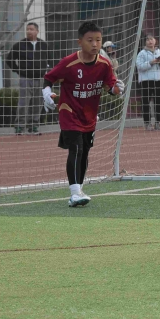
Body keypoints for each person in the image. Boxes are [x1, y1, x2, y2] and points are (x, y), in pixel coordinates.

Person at [43, 22, 124, 207]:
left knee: (85, 151)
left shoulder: (104, 64)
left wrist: (117, 89)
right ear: (80, 42)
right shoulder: (69, 62)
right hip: (69, 112)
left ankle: (78, 189)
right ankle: (74, 193)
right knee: (76, 148)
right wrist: (46, 93)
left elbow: (110, 88)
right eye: (90, 40)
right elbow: (49, 78)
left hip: (89, 116)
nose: (95, 44)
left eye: (98, 40)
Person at [6, 22, 50, 136]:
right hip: (25, 78)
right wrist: (18, 70)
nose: (29, 31)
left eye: (31, 29)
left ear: (37, 31)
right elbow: (9, 59)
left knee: (37, 103)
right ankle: (19, 126)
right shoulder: (20, 45)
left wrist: (47, 72)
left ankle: (33, 126)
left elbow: (50, 59)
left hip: (40, 79)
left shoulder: (43, 45)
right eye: (27, 29)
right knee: (23, 103)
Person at [135, 34, 160, 131]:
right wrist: (151, 62)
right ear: (145, 42)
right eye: (148, 40)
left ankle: (158, 122)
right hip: (146, 81)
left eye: (151, 39)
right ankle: (147, 123)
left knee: (158, 102)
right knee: (146, 102)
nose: (150, 41)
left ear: (155, 41)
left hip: (159, 80)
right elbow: (139, 66)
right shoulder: (141, 53)